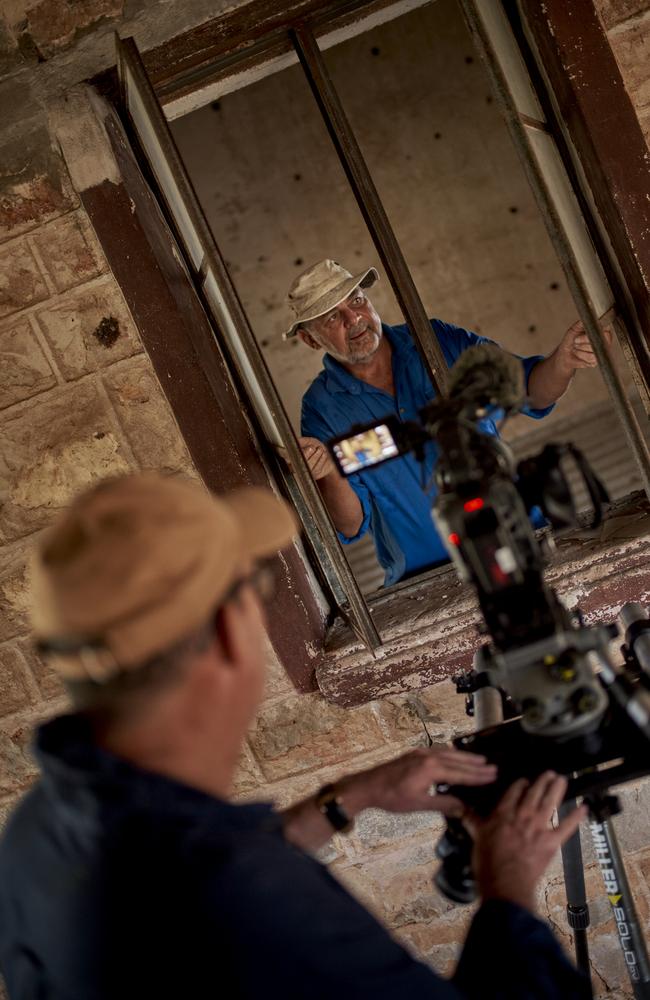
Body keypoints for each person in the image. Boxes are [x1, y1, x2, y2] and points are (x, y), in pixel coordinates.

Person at [0, 472, 589, 999]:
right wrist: (508, 891)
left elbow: (187, 866)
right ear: (231, 631)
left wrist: (345, 799)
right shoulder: (256, 908)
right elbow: (221, 893)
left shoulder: (39, 832)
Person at [286, 259, 606, 586]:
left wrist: (565, 360)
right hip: (428, 581)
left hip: (523, 538)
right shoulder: (321, 408)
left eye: (356, 300)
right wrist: (327, 472)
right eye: (332, 317)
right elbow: (351, 523)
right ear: (311, 340)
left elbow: (530, 391)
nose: (354, 319)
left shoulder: (435, 339)